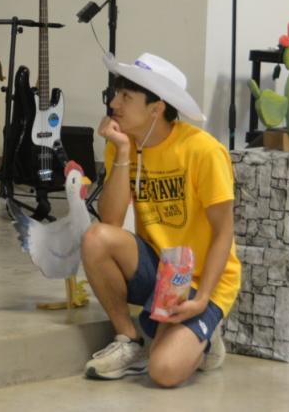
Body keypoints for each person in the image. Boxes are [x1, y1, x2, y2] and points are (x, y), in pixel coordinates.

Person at [81, 52, 241, 387]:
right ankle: (128, 339)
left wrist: (202, 299)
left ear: (156, 108)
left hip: (201, 281)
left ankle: (207, 337)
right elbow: (110, 221)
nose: (114, 104)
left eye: (126, 97)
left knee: (164, 372)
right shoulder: (123, 144)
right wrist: (122, 151)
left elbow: (223, 232)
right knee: (96, 238)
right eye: (116, 94)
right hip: (159, 267)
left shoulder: (203, 151)